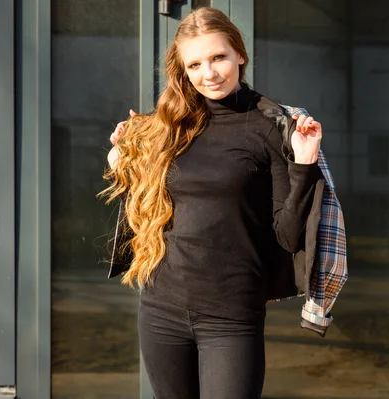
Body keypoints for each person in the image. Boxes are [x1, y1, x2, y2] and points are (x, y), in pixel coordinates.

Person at [100, 7, 327, 399]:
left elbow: (289, 237)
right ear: (184, 71)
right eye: (195, 64)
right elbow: (140, 197)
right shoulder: (167, 126)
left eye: (219, 57)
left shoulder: (271, 127)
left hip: (232, 315)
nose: (209, 73)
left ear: (240, 54)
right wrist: (122, 156)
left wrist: (304, 164)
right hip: (161, 309)